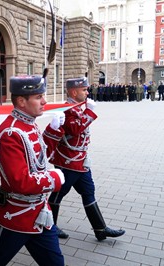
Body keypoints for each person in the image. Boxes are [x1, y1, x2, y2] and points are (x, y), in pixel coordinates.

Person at [0, 75, 66, 266]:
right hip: (15, 217)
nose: (44, 101)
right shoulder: (10, 133)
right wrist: (55, 178)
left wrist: (53, 131)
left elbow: (39, 159)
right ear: (21, 101)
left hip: (40, 213)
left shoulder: (29, 124)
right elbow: (20, 181)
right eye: (38, 97)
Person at [48, 77, 125, 241]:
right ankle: (49, 227)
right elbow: (74, 129)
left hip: (79, 160)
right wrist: (89, 112)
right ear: (74, 92)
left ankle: (100, 229)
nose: (87, 92)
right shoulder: (67, 109)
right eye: (84, 89)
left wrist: (86, 110)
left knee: (88, 192)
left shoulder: (77, 107)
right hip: (67, 160)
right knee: (58, 194)